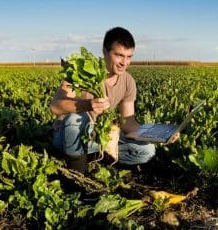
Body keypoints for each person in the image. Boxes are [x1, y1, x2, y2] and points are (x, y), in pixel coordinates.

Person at [50, 27, 179, 173]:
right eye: (119, 55)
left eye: (129, 56)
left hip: (100, 137)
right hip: (67, 136)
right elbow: (55, 106)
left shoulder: (128, 81)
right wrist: (87, 105)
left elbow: (128, 123)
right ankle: (77, 176)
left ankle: (95, 157)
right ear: (105, 51)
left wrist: (160, 136)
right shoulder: (83, 71)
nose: (125, 62)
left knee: (147, 151)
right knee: (76, 118)